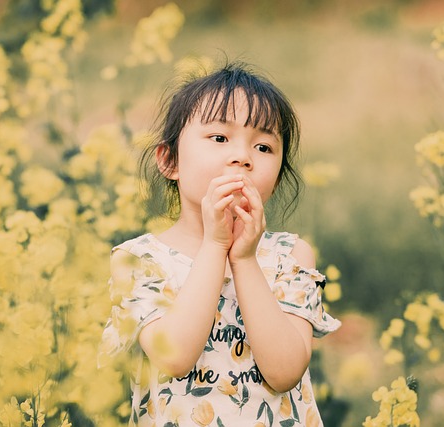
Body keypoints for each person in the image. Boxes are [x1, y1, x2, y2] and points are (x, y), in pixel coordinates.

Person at [99, 61, 341, 426]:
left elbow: (285, 371)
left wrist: (243, 260)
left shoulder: (290, 256)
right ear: (170, 161)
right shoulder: (139, 260)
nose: (242, 158)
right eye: (219, 138)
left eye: (263, 147)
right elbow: (174, 356)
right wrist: (216, 246)